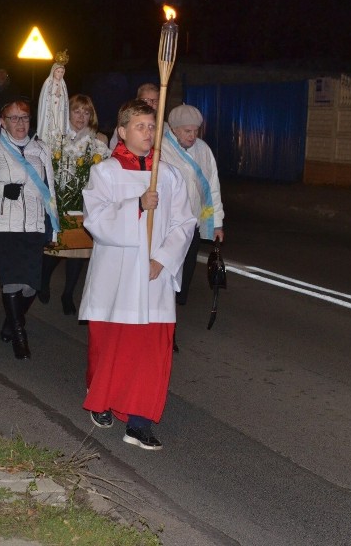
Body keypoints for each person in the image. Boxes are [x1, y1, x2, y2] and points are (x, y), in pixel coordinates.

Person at [79, 99, 195, 450]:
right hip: (116, 278)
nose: (148, 133)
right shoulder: (106, 173)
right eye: (141, 126)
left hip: (154, 278)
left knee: (149, 352)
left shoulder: (169, 174)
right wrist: (136, 206)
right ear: (123, 130)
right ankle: (102, 398)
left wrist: (163, 258)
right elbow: (95, 221)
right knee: (110, 346)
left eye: (152, 127)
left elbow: (184, 222)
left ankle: (140, 422)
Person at [0, 99, 58, 359]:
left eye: (24, 117)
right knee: (12, 283)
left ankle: (9, 322)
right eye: (13, 118)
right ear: (3, 122)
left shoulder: (41, 148)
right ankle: (19, 334)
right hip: (3, 226)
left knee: (30, 287)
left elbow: (50, 191)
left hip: (35, 223)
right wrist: (2, 189)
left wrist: (53, 224)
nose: (20, 123)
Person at [160, 105, 225, 350]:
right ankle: (167, 331)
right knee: (167, 277)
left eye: (195, 130)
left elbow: (212, 187)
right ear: (174, 129)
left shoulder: (203, 150)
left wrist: (216, 222)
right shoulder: (161, 148)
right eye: (187, 131)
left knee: (183, 278)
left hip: (192, 226)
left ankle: (169, 321)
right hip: (166, 227)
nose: (192, 135)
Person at [39, 93, 109, 315]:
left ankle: (68, 294)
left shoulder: (98, 142)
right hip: (59, 201)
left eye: (86, 112)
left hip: (84, 202)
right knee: (55, 250)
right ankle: (43, 280)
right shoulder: (56, 137)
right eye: (77, 111)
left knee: (78, 252)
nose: (81, 116)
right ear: (67, 113)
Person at [108, 83, 158, 150]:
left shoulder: (165, 128)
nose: (150, 104)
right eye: (145, 100)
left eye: (154, 101)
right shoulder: (126, 125)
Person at [37, 51, 69, 152]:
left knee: (58, 127)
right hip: (50, 111)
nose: (59, 74)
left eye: (61, 72)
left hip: (59, 111)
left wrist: (60, 98)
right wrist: (54, 97)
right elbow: (45, 99)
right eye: (57, 71)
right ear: (53, 71)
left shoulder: (63, 84)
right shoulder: (48, 83)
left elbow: (65, 100)